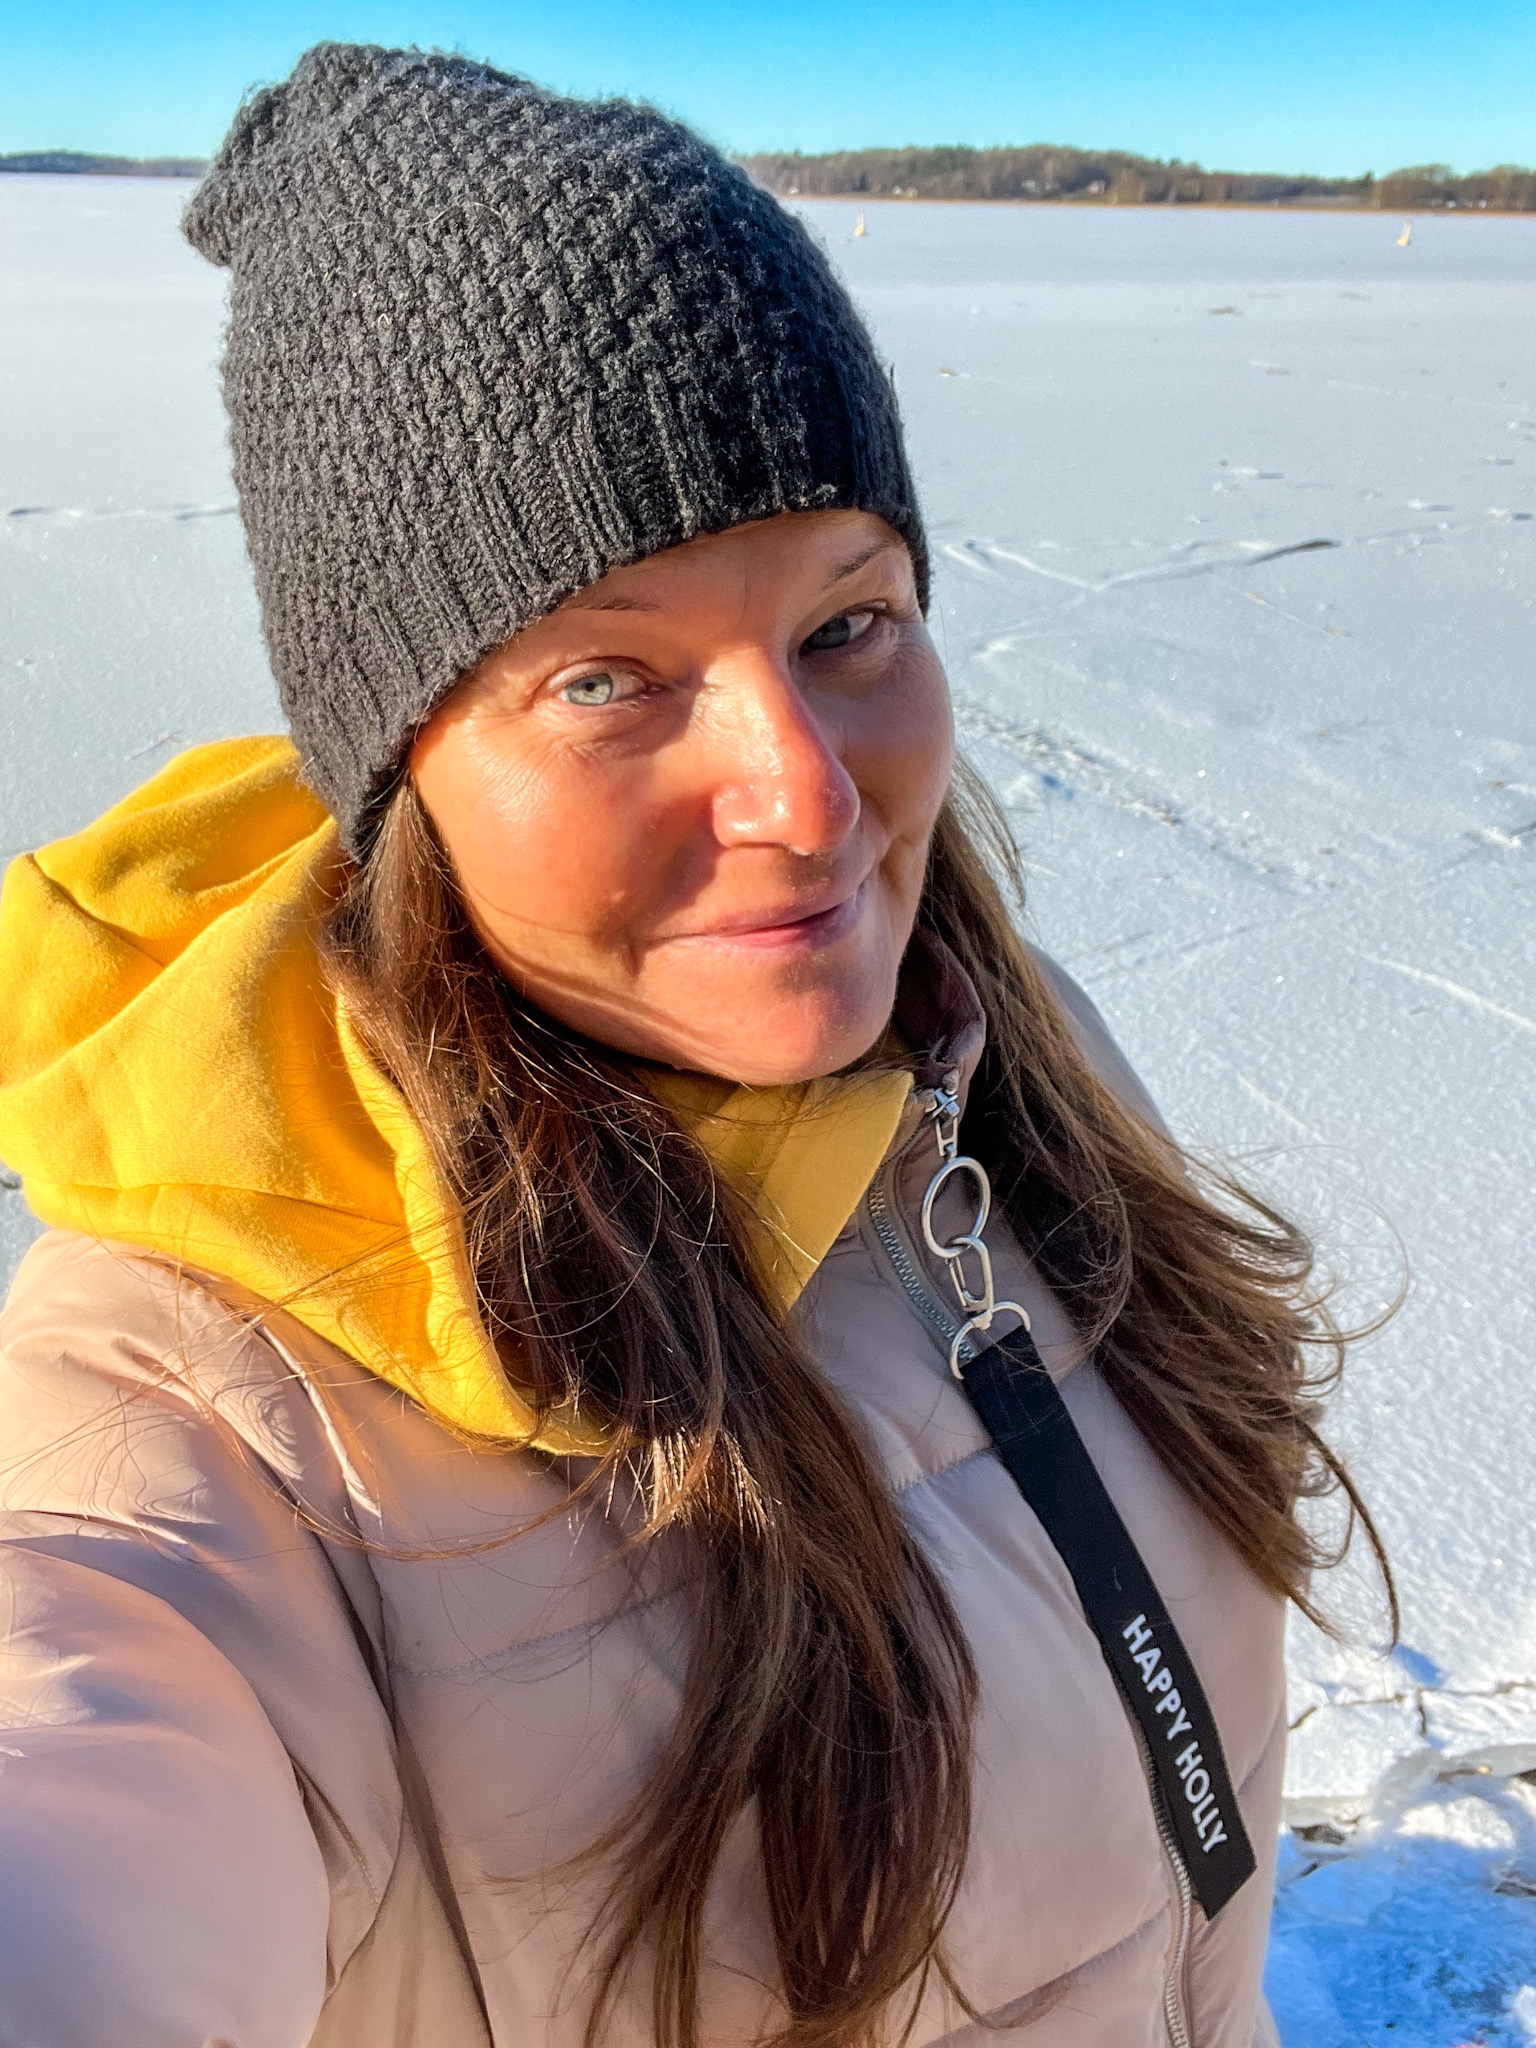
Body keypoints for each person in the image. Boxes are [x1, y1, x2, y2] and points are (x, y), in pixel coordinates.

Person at [0, 44, 1381, 2048]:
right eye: (606, 679)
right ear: (399, 764)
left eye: (847, 627)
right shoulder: (204, 1411)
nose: (807, 799)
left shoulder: (993, 1054)